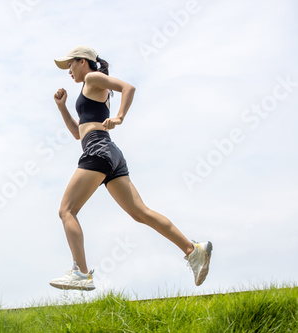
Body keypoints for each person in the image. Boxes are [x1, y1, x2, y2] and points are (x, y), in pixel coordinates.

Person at [49, 45, 212, 291]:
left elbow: (128, 88)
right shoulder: (87, 90)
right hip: (108, 152)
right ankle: (193, 250)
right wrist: (62, 107)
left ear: (83, 61)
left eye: (70, 64)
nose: (68, 71)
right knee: (140, 213)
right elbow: (76, 133)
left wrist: (120, 117)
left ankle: (81, 273)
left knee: (66, 211)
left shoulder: (93, 77)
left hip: (98, 150)